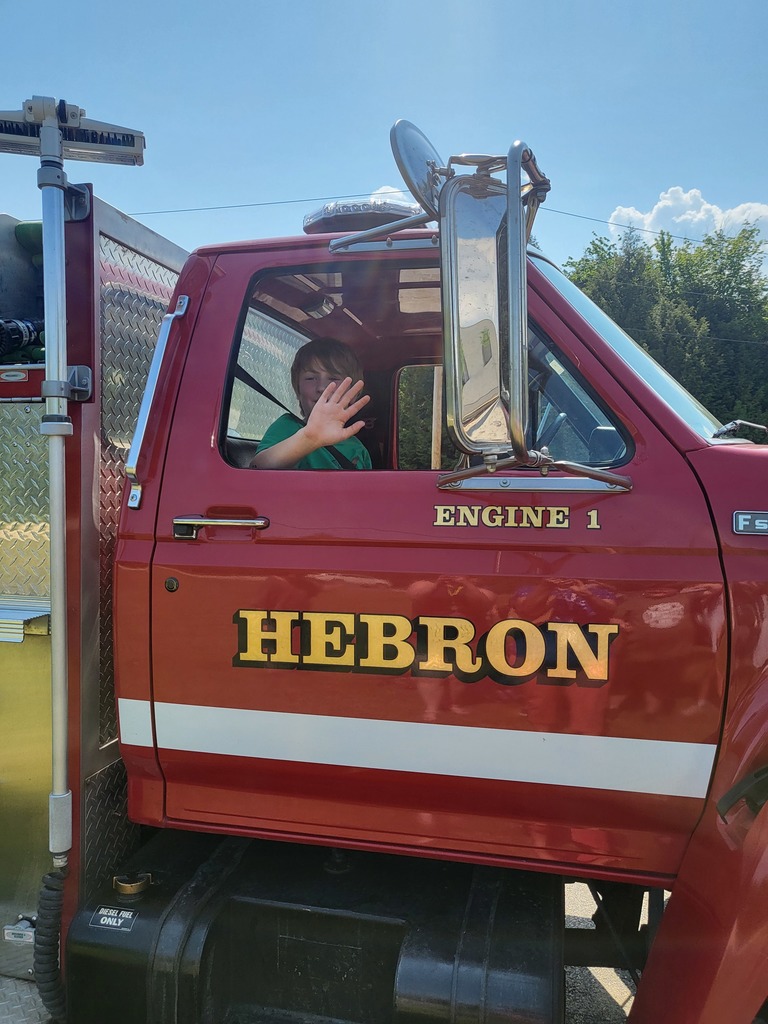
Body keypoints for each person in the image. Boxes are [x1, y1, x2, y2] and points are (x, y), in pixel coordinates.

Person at [251, 338, 372, 470]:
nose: (321, 387)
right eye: (310, 378)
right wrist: (309, 438)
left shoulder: (358, 449)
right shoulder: (287, 426)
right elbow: (257, 468)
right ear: (298, 390)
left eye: (333, 378)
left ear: (353, 394)